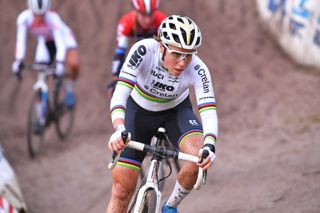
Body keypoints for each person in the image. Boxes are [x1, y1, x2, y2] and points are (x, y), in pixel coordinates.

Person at [106, 15, 218, 213]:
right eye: (177, 54)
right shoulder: (143, 50)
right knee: (121, 191)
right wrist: (119, 128)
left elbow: (208, 110)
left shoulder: (198, 68)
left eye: (189, 55)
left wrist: (210, 145)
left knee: (197, 158)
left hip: (175, 112)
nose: (183, 62)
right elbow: (121, 92)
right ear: (161, 47)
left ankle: (171, 206)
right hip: (137, 112)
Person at [12, 0, 80, 108]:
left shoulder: (53, 19)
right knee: (42, 73)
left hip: (65, 40)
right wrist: (18, 60)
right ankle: (40, 111)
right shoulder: (23, 19)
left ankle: (70, 88)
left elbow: (60, 43)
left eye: (42, 15)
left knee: (73, 64)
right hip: (45, 41)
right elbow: (20, 41)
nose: (39, 18)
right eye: (36, 14)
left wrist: (60, 62)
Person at [106, 0, 166, 95]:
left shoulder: (162, 21)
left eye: (151, 14)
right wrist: (116, 78)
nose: (147, 20)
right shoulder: (126, 22)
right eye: (143, 15)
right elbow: (119, 53)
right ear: (135, 11)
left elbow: (170, 51)